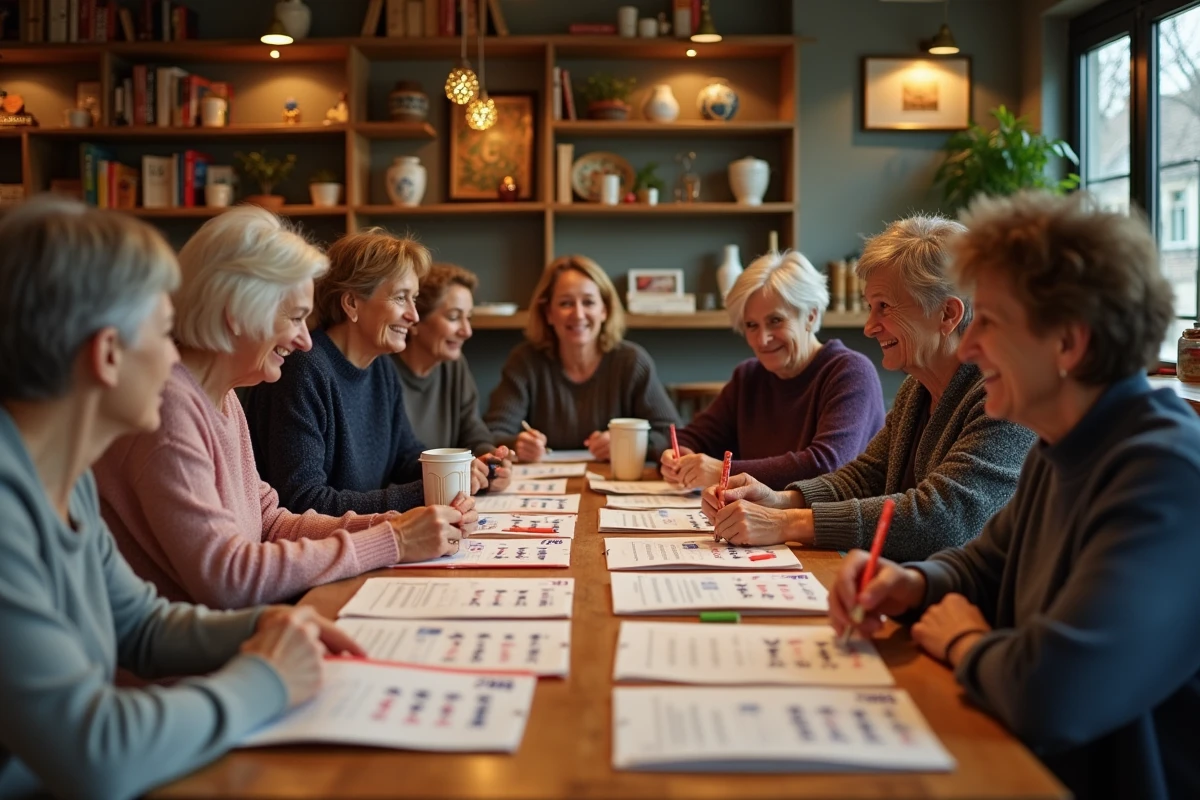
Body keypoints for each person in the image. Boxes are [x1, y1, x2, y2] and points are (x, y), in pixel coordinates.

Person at [830, 192, 1200, 799]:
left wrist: (962, 640)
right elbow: (984, 562)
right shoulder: (1072, 442)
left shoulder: (1164, 474)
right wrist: (914, 585)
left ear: (1068, 343)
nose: (970, 349)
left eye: (991, 323)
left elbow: (1055, 694)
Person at [0, 198, 363, 799]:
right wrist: (266, 679)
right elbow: (99, 752)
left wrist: (265, 623)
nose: (176, 356)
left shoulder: (65, 480)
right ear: (108, 352)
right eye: (164, 330)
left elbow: (138, 624)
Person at [97, 209, 469, 611]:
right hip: (195, 658)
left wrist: (396, 525)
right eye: (294, 318)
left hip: (235, 634)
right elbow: (229, 578)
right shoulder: (170, 407)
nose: (306, 341)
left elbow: (270, 522)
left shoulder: (222, 397)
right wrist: (393, 541)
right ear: (237, 314)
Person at [702, 216, 1036, 562]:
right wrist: (780, 499)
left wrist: (786, 523)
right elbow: (866, 477)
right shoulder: (915, 390)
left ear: (947, 314)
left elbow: (942, 520)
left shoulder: (1006, 396)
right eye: (869, 307)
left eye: (884, 307)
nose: (869, 327)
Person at [245, 230, 508, 517]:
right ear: (352, 303)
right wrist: (430, 492)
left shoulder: (381, 366)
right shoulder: (303, 370)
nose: (414, 315)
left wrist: (458, 473)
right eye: (400, 298)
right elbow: (304, 502)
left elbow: (406, 458)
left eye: (414, 299)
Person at [660, 250, 884, 490]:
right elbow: (693, 438)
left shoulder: (850, 372)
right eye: (751, 325)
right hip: (760, 522)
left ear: (810, 316)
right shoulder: (748, 377)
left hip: (829, 526)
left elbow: (826, 466)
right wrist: (677, 457)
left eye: (775, 320)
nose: (762, 339)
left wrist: (721, 472)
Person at [485, 255, 680, 463]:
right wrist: (517, 445)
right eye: (565, 303)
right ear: (548, 313)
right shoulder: (525, 362)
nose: (578, 314)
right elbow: (491, 434)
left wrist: (627, 444)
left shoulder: (632, 362)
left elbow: (674, 438)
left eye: (588, 302)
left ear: (604, 310)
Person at [393, 262, 497, 456]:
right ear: (415, 321)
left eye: (469, 317)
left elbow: (473, 431)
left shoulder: (454, 365)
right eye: (453, 317)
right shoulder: (382, 372)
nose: (467, 331)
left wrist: (489, 458)